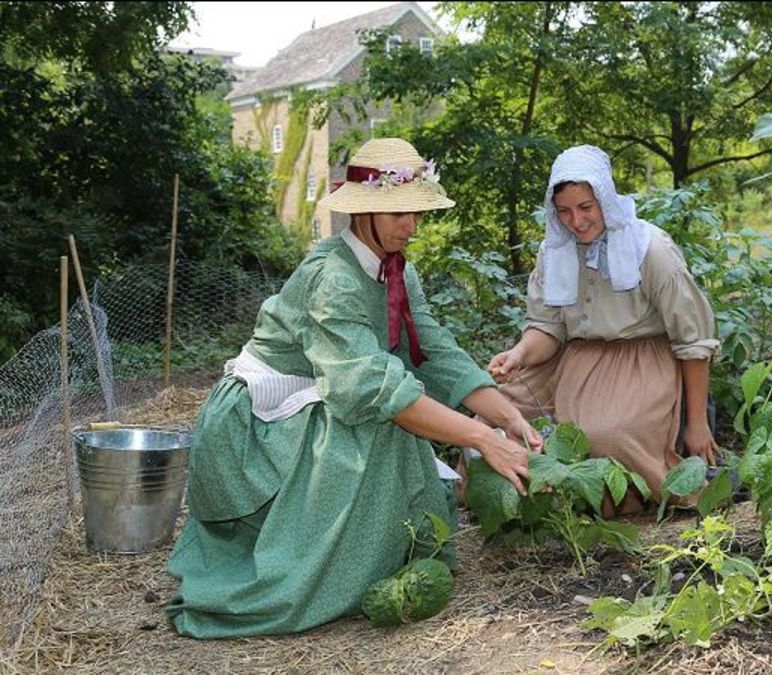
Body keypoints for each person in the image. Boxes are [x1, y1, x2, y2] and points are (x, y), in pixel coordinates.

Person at [165, 138, 541, 639]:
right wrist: (481, 440)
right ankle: (321, 574)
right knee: (379, 426)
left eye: (416, 214)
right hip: (254, 422)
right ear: (362, 212)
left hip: (315, 397)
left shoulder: (396, 271)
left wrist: (506, 418)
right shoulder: (333, 280)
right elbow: (372, 389)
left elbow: (437, 352)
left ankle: (377, 553)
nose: (410, 227)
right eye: (397, 214)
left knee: (398, 413)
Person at [488, 145, 719, 514]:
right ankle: (527, 505)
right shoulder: (555, 252)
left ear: (606, 200)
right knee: (494, 411)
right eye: (564, 211)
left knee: (603, 435)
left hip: (640, 361)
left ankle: (621, 495)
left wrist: (696, 425)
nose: (575, 221)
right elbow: (547, 329)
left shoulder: (651, 250)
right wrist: (519, 353)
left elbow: (693, 341)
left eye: (585, 207)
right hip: (571, 359)